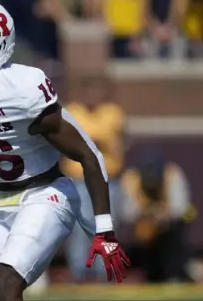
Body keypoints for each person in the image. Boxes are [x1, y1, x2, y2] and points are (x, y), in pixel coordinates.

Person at [0, 0, 130, 301]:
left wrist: (105, 230)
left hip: (47, 196)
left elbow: (89, 155)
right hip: (2, 202)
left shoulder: (21, 91)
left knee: (5, 280)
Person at [62, 76, 126, 282]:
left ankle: (105, 271)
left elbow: (124, 140)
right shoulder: (72, 111)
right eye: (88, 91)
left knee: (107, 226)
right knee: (82, 226)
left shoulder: (113, 113)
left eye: (96, 90)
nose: (92, 96)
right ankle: (79, 271)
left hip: (109, 178)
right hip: (79, 179)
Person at [121, 153, 194, 282]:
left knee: (176, 232)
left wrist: (160, 216)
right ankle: (151, 273)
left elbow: (180, 208)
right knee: (144, 234)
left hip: (170, 225)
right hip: (145, 225)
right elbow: (128, 213)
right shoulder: (132, 179)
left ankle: (174, 274)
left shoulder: (172, 175)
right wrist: (148, 216)